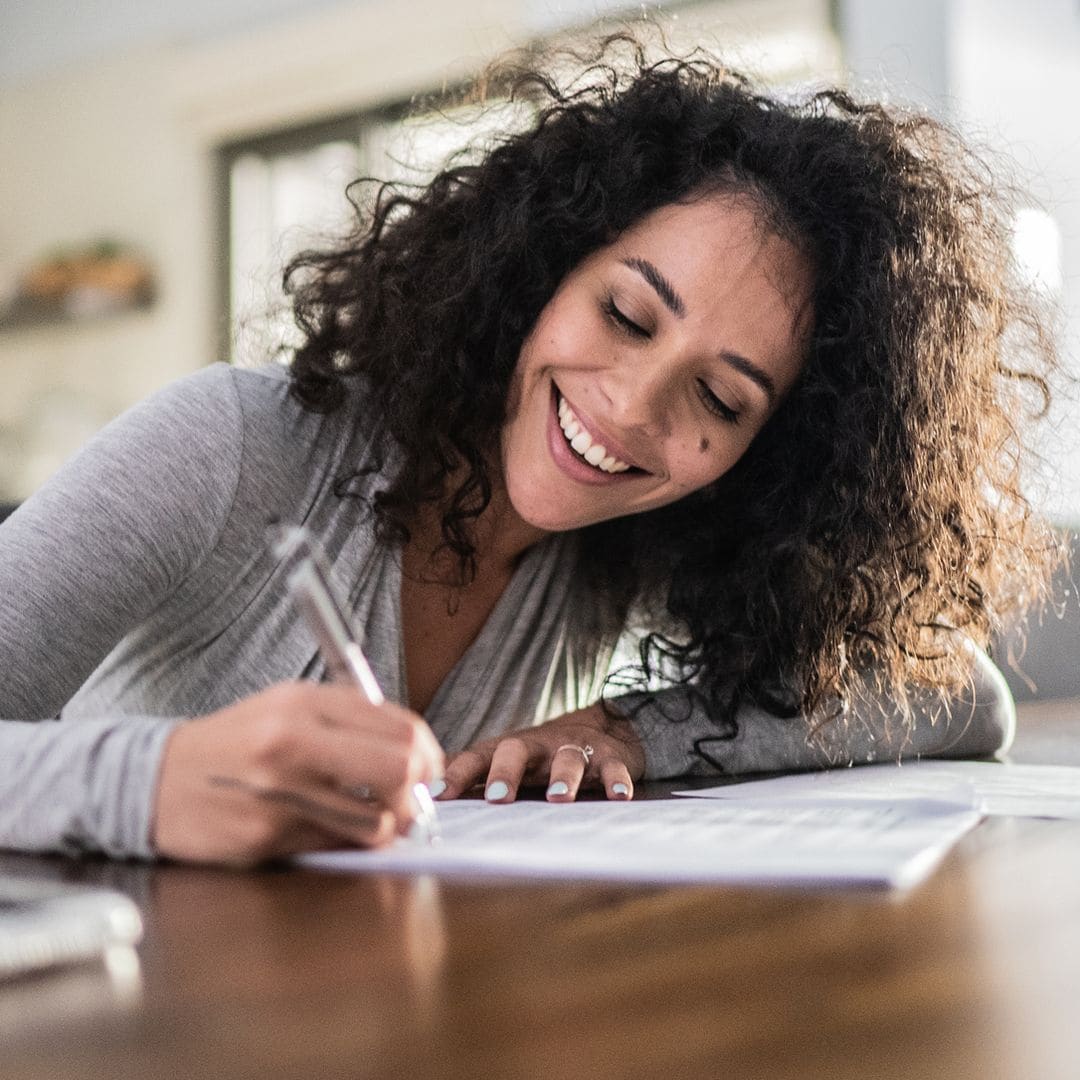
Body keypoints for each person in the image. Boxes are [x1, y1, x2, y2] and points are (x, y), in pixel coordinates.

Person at [0, 36, 1062, 865]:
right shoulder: (229, 445)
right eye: (628, 315)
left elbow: (960, 695)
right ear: (542, 264)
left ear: (771, 460)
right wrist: (150, 783)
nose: (635, 410)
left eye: (722, 399)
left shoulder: (626, 548)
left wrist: (638, 732)